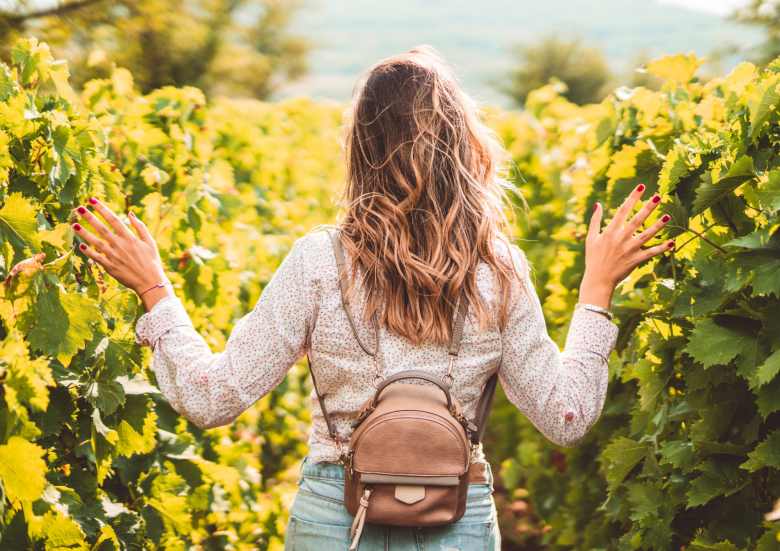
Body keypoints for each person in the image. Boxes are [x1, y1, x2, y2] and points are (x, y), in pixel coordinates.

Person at [72, 46, 673, 550]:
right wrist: (597, 289)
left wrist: (154, 289)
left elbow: (210, 398)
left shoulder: (318, 262)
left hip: (336, 517)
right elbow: (566, 418)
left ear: (360, 147)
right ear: (464, 147)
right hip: (457, 516)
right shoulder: (501, 269)